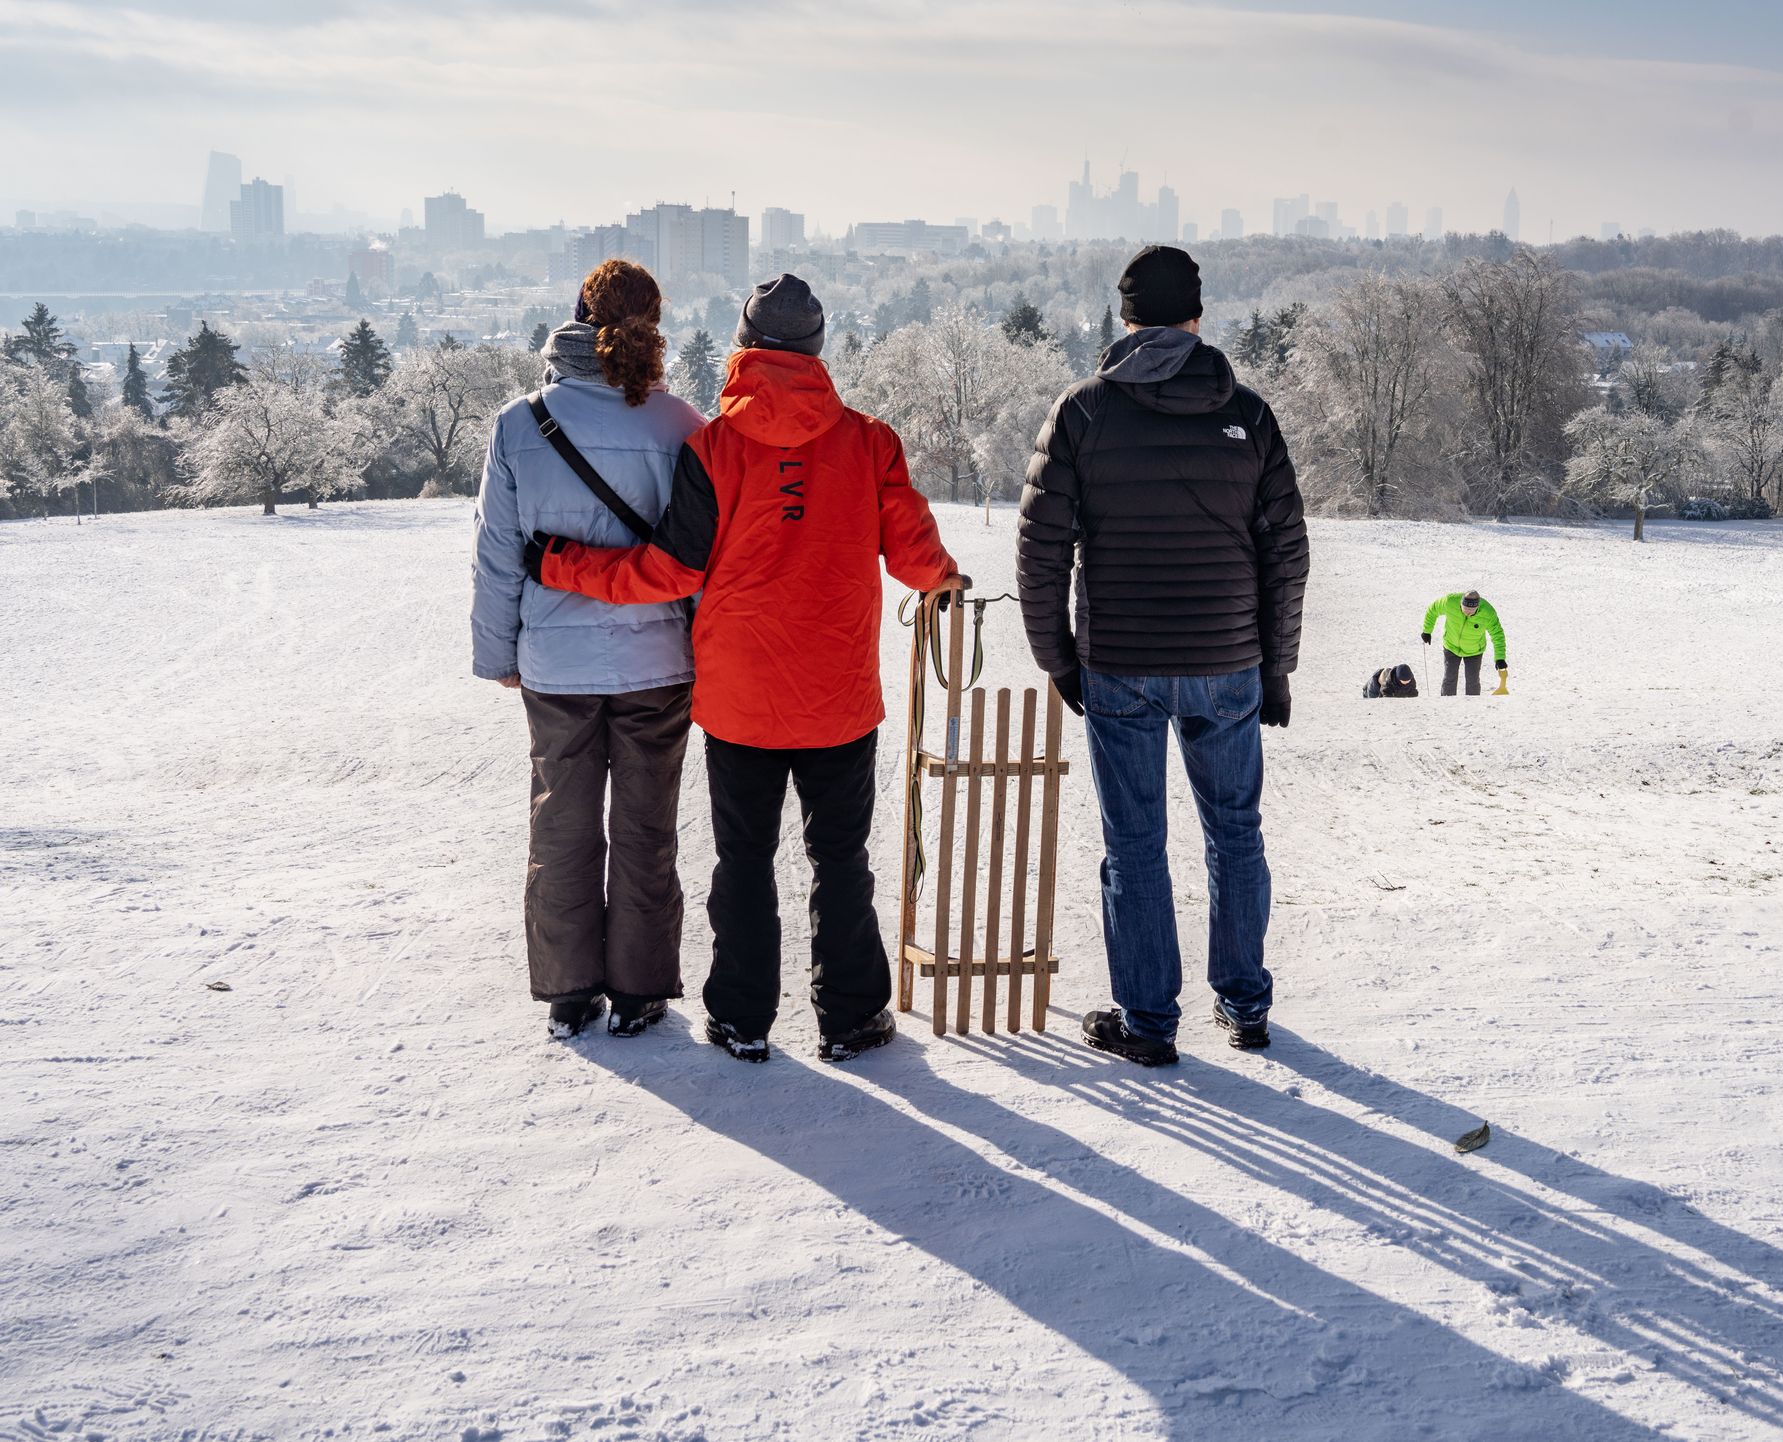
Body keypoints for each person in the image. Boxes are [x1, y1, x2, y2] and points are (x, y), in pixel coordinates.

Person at [525, 273, 964, 1064]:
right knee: (841, 860)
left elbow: (670, 573)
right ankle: (853, 1017)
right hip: (837, 699)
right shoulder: (869, 441)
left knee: (744, 861)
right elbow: (917, 558)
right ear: (817, 349)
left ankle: (741, 1017)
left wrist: (562, 565)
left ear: (745, 348)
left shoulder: (713, 447)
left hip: (739, 700)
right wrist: (949, 580)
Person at [1016, 245, 1310, 1067]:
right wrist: (1274, 666)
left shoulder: (1082, 412)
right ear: (1197, 317)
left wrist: (1059, 660)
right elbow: (1286, 549)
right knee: (1235, 832)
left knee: (1136, 842)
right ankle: (1245, 1004)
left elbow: (1041, 549)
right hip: (1228, 660)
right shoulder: (1247, 414)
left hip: (1121, 662)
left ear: (1125, 318)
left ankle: (1148, 1023)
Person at [471, 259, 709, 1040]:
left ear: (574, 319)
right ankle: (641, 991)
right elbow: (708, 559)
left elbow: (498, 553)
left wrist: (497, 652)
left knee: (562, 823)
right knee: (648, 826)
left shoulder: (520, 423)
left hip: (555, 663)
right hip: (658, 664)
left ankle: (571, 988)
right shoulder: (683, 426)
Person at [1422, 589, 1508, 696]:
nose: (1467, 613)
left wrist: (1500, 658)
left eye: (1471, 611)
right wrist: (1427, 631)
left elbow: (1497, 634)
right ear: (1461, 604)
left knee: (1473, 681)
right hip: (1451, 646)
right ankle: (1446, 705)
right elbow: (1433, 610)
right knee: (1449, 678)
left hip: (1474, 651)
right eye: (1465, 609)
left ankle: (1472, 706)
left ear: (1477, 606)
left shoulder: (1487, 612)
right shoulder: (1450, 602)